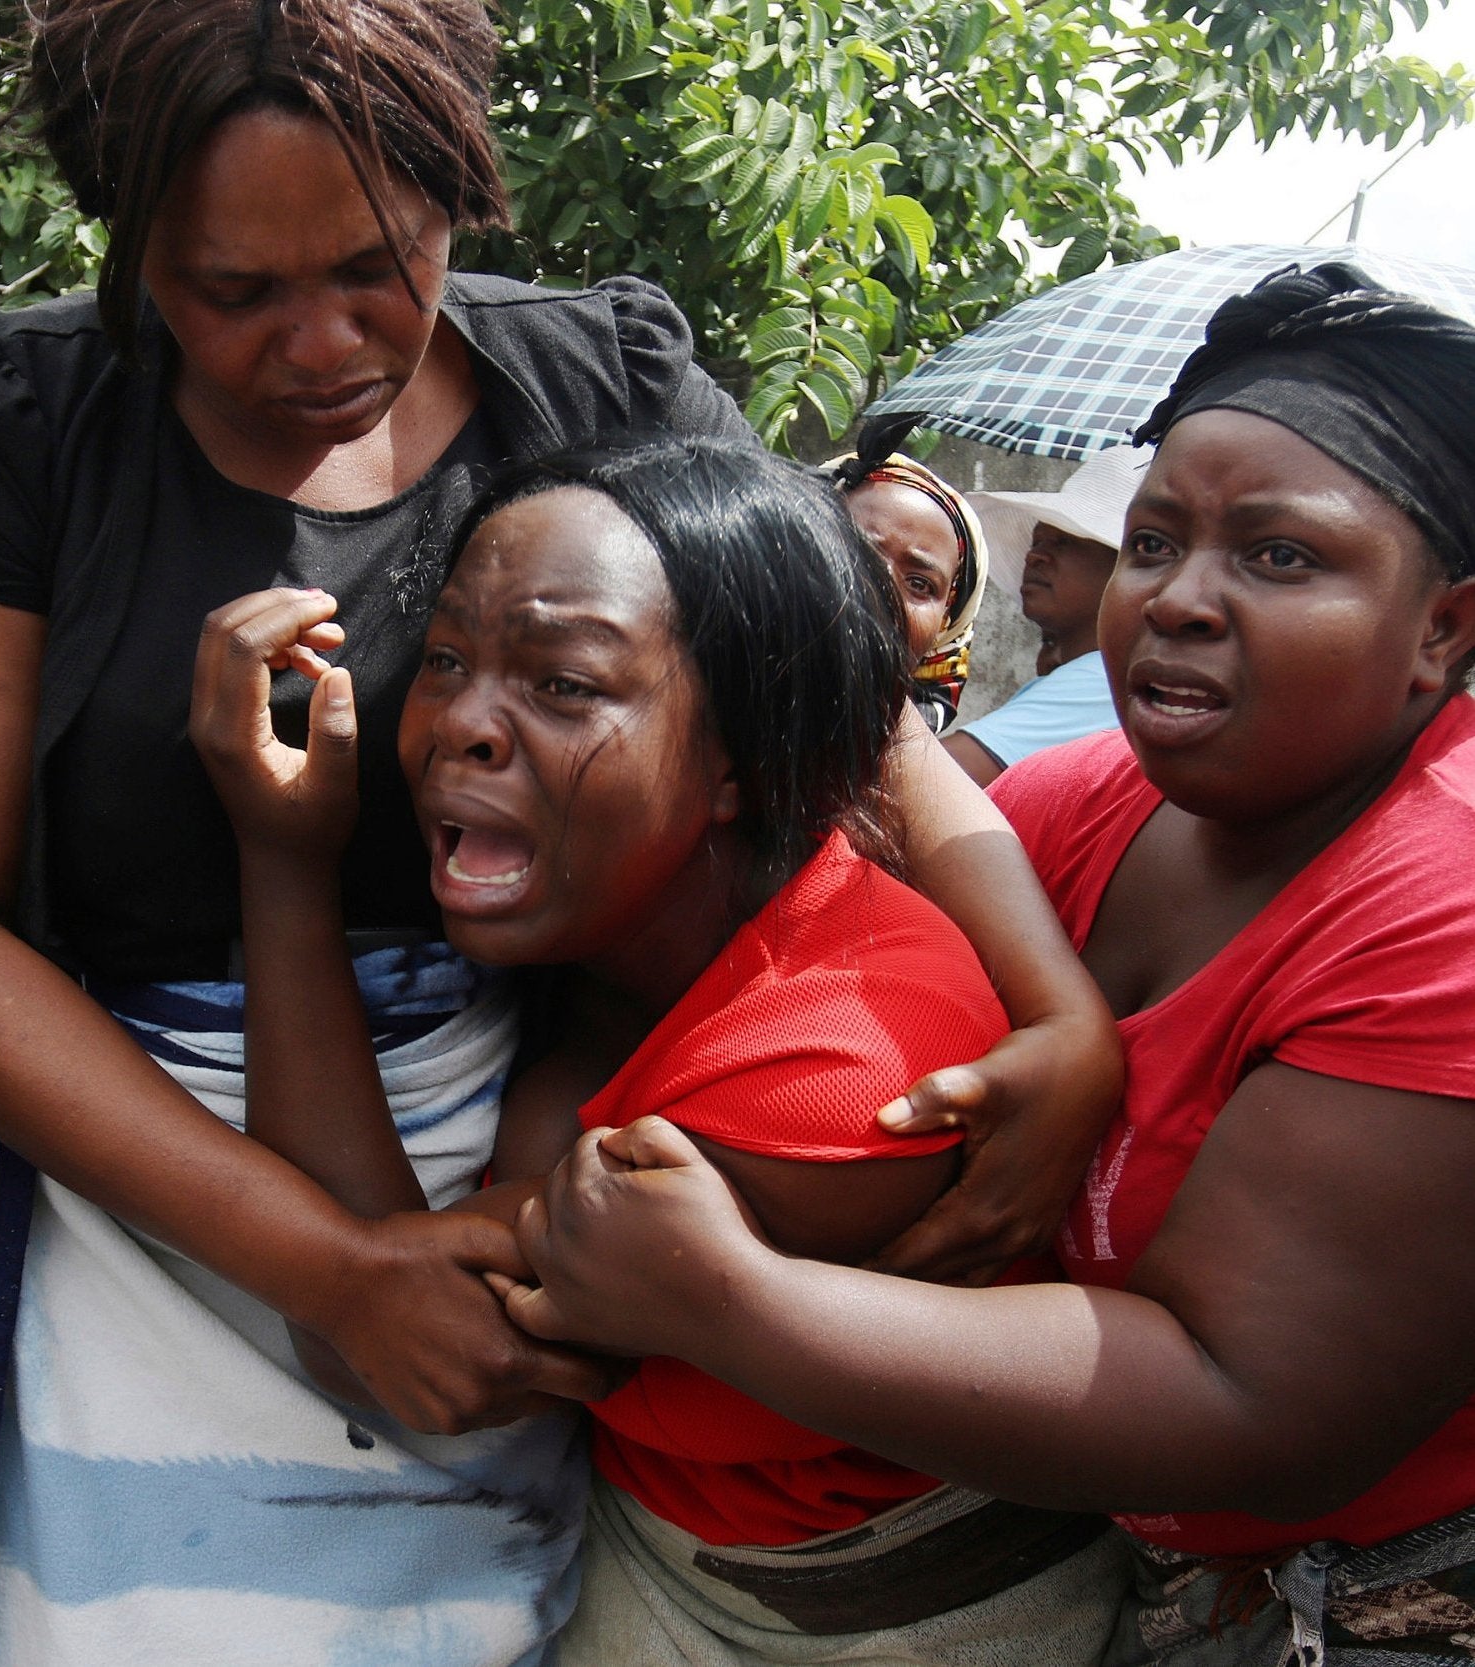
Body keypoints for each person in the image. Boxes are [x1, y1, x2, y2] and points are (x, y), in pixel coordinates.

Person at [0, 0, 1120, 1659]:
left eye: (383, 260)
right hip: (130, 1202)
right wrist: (335, 1266)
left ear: (457, 184)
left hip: (535, 1197)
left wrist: (1060, 1012)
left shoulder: (598, 375)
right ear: (125, 236)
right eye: (236, 292)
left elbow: (844, 712)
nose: (324, 344)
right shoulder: (21, 423)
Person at [492, 265, 1475, 1665]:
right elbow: (833, 792)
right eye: (1152, 542)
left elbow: (1248, 1404)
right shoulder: (1080, 802)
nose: (1180, 598)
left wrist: (737, 1302)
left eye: (1276, 556)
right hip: (1096, 1550)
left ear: (1442, 625)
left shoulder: (1443, 901)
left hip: (1375, 1592)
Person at [189, 438, 1128, 1666]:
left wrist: (283, 862)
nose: (463, 722)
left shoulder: (842, 1074)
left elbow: (379, 1323)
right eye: (446, 658)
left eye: (564, 684)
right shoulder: (626, 940)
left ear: (740, 758)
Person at [944, 445, 1144, 785]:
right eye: (1037, 541)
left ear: (1123, 568)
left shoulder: (1100, 679)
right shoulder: (1098, 675)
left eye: (1064, 542)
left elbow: (929, 782)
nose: (1034, 557)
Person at [829, 414, 992, 735]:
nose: (880, 587)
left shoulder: (923, 780)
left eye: (919, 584)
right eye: (857, 552)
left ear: (946, 626)